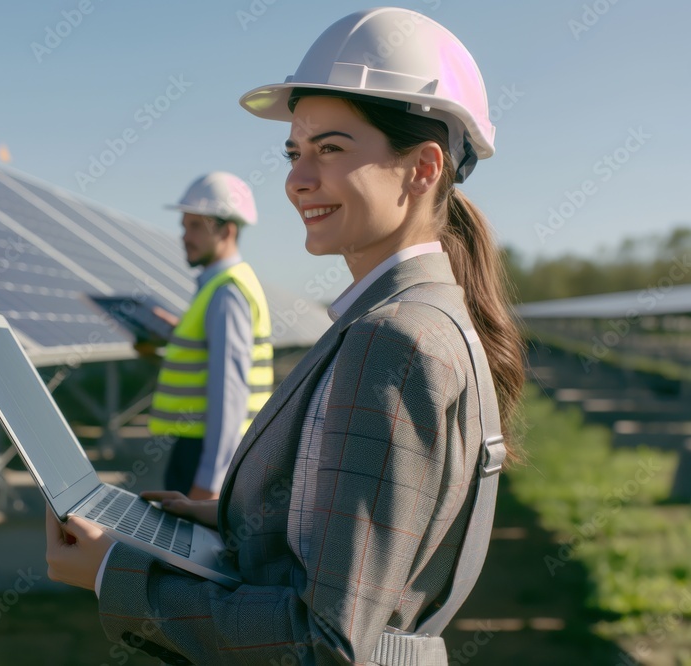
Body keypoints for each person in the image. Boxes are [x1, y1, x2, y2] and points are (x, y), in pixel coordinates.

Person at [46, 8, 525, 665]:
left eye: (330, 149)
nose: (298, 179)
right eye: (295, 152)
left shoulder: (394, 342)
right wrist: (230, 521)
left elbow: (319, 641)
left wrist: (115, 576)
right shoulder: (412, 318)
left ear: (422, 168)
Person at [146, 172, 274, 500]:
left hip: (205, 454)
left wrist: (209, 482)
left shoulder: (227, 293)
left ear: (227, 231)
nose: (184, 236)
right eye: (184, 226)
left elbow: (229, 394)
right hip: (203, 447)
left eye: (196, 227)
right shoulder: (221, 286)